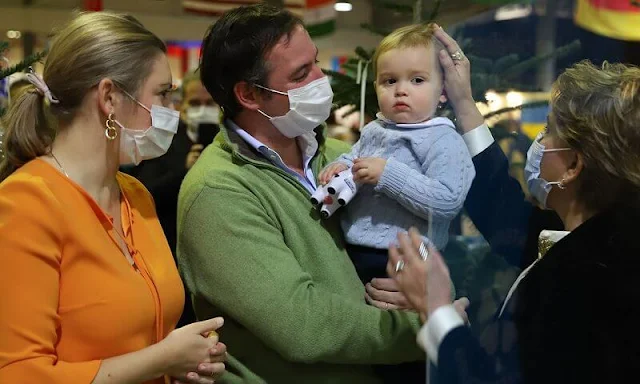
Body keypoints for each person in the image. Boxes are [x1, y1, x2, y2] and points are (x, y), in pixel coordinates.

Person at [177, 4, 428, 383]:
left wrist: (427, 290)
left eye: (315, 62)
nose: (319, 78)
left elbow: (421, 236)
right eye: (300, 74)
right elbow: (303, 324)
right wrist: (425, 327)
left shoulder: (343, 156)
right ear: (248, 94)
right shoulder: (217, 190)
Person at [0, 12, 226, 384]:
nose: (173, 111)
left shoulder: (134, 194)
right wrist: (162, 358)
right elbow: (20, 374)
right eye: (162, 94)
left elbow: (140, 336)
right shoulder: (26, 203)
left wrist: (180, 363)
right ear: (109, 97)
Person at [389, 56, 640, 383]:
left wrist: (435, 312)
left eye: (550, 130)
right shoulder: (604, 242)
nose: (540, 142)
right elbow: (506, 216)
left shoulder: (580, 279)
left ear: (573, 166)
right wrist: (465, 104)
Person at [318, 23, 474, 289]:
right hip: (355, 247)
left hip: (410, 258)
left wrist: (387, 174)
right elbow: (356, 158)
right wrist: (340, 166)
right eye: (390, 81)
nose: (401, 90)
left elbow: (447, 201)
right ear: (376, 85)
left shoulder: (443, 139)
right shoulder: (374, 129)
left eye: (417, 80)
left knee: (396, 321)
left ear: (443, 92)